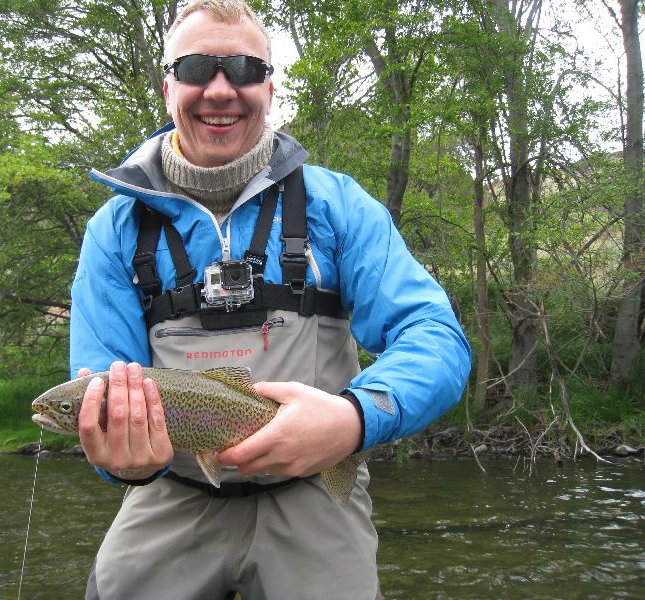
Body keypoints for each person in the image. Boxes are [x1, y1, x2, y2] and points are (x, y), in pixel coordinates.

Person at [70, 1, 471, 598]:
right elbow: (104, 382)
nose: (221, 89)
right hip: (171, 492)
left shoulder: (338, 206)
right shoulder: (116, 229)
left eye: (243, 69)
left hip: (312, 488)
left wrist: (353, 419)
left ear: (270, 87)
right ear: (168, 86)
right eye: (200, 66)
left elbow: (435, 336)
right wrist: (123, 462)